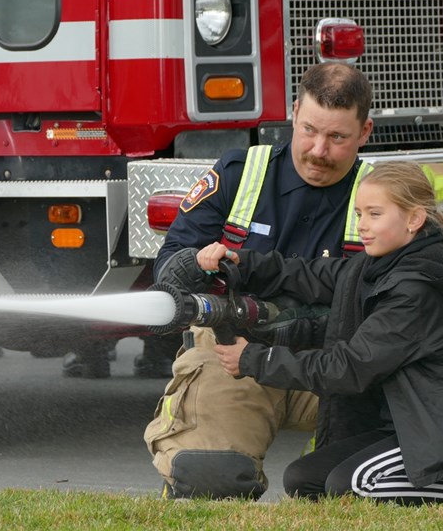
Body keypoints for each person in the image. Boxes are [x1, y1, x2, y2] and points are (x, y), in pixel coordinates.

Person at [198, 161, 443, 513]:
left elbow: (348, 367)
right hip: (400, 425)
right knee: (304, 479)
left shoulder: (417, 290)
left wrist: (253, 359)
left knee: (352, 485)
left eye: (375, 214)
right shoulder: (376, 264)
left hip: (436, 434)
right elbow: (310, 275)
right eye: (360, 213)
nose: (362, 226)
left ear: (414, 220)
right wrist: (242, 262)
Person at [143, 62, 375, 499]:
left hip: (342, 365)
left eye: (337, 138)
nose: (318, 150)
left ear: (365, 132)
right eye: (309, 130)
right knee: (211, 478)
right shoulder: (237, 173)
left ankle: (330, 475)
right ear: (292, 113)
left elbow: (405, 300)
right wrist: (198, 264)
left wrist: (305, 325)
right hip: (235, 355)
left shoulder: (384, 195)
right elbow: (169, 268)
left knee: (385, 472)